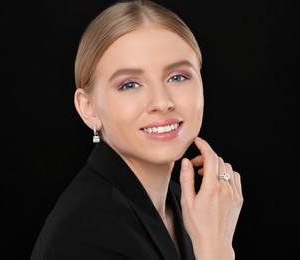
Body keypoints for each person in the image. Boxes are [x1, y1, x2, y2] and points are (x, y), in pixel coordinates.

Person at [30, 0, 243, 259]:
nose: (162, 102)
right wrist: (215, 248)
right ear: (89, 108)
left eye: (177, 77)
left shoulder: (185, 205)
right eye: (130, 84)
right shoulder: (86, 230)